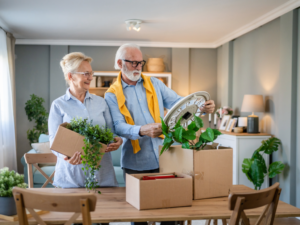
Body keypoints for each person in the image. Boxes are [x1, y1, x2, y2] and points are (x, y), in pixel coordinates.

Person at [105, 43, 215, 180]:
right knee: (135, 201)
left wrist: (201, 106)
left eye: (140, 63)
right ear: (120, 63)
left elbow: (178, 102)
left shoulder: (155, 83)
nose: (138, 67)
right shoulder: (111, 95)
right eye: (134, 63)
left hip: (163, 156)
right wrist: (142, 130)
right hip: (134, 163)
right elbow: (118, 126)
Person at [48, 52, 123, 189]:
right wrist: (67, 156)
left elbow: (111, 133)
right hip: (71, 178)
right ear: (71, 76)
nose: (90, 77)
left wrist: (116, 140)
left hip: (102, 177)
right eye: (85, 73)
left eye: (91, 73)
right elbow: (54, 140)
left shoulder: (101, 103)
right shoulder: (58, 105)